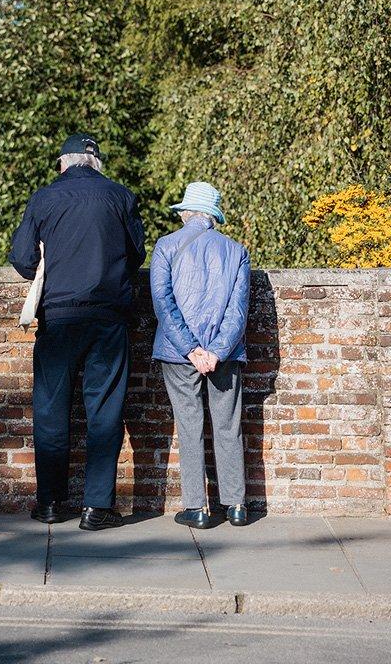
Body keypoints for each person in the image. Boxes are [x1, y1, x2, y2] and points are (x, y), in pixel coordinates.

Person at [9, 133, 146, 531]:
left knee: (51, 409)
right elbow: (136, 254)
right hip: (108, 316)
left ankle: (51, 503)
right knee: (104, 409)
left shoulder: (45, 198)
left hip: (58, 316)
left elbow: (21, 257)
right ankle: (96, 507)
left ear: (62, 163)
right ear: (96, 162)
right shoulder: (121, 197)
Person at [150, 181, 250, 530]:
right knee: (228, 426)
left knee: (190, 426)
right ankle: (236, 505)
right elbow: (238, 312)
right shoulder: (236, 251)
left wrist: (192, 349)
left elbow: (163, 304)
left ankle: (197, 508)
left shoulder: (166, 247)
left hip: (179, 355)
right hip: (225, 354)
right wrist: (217, 351)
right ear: (213, 217)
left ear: (186, 213)